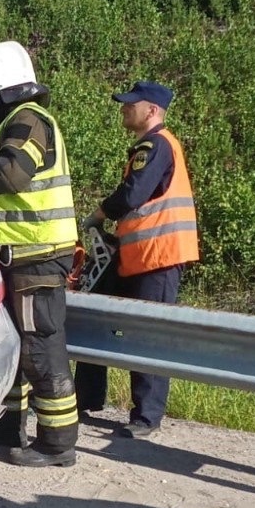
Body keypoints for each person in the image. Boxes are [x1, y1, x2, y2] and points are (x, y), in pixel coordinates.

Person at [0, 41, 80, 468]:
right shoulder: (17, 120)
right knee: (15, 346)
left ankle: (57, 444)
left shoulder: (27, 121)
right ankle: (7, 427)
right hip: (17, 258)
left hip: (37, 259)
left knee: (41, 348)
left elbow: (11, 175)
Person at [75, 80, 199, 438]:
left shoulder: (157, 145)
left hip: (158, 257)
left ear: (153, 110)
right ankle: (86, 398)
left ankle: (147, 418)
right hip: (138, 255)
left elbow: (133, 195)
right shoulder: (150, 146)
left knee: (148, 336)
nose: (124, 108)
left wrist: (99, 213)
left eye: (131, 104)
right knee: (95, 317)